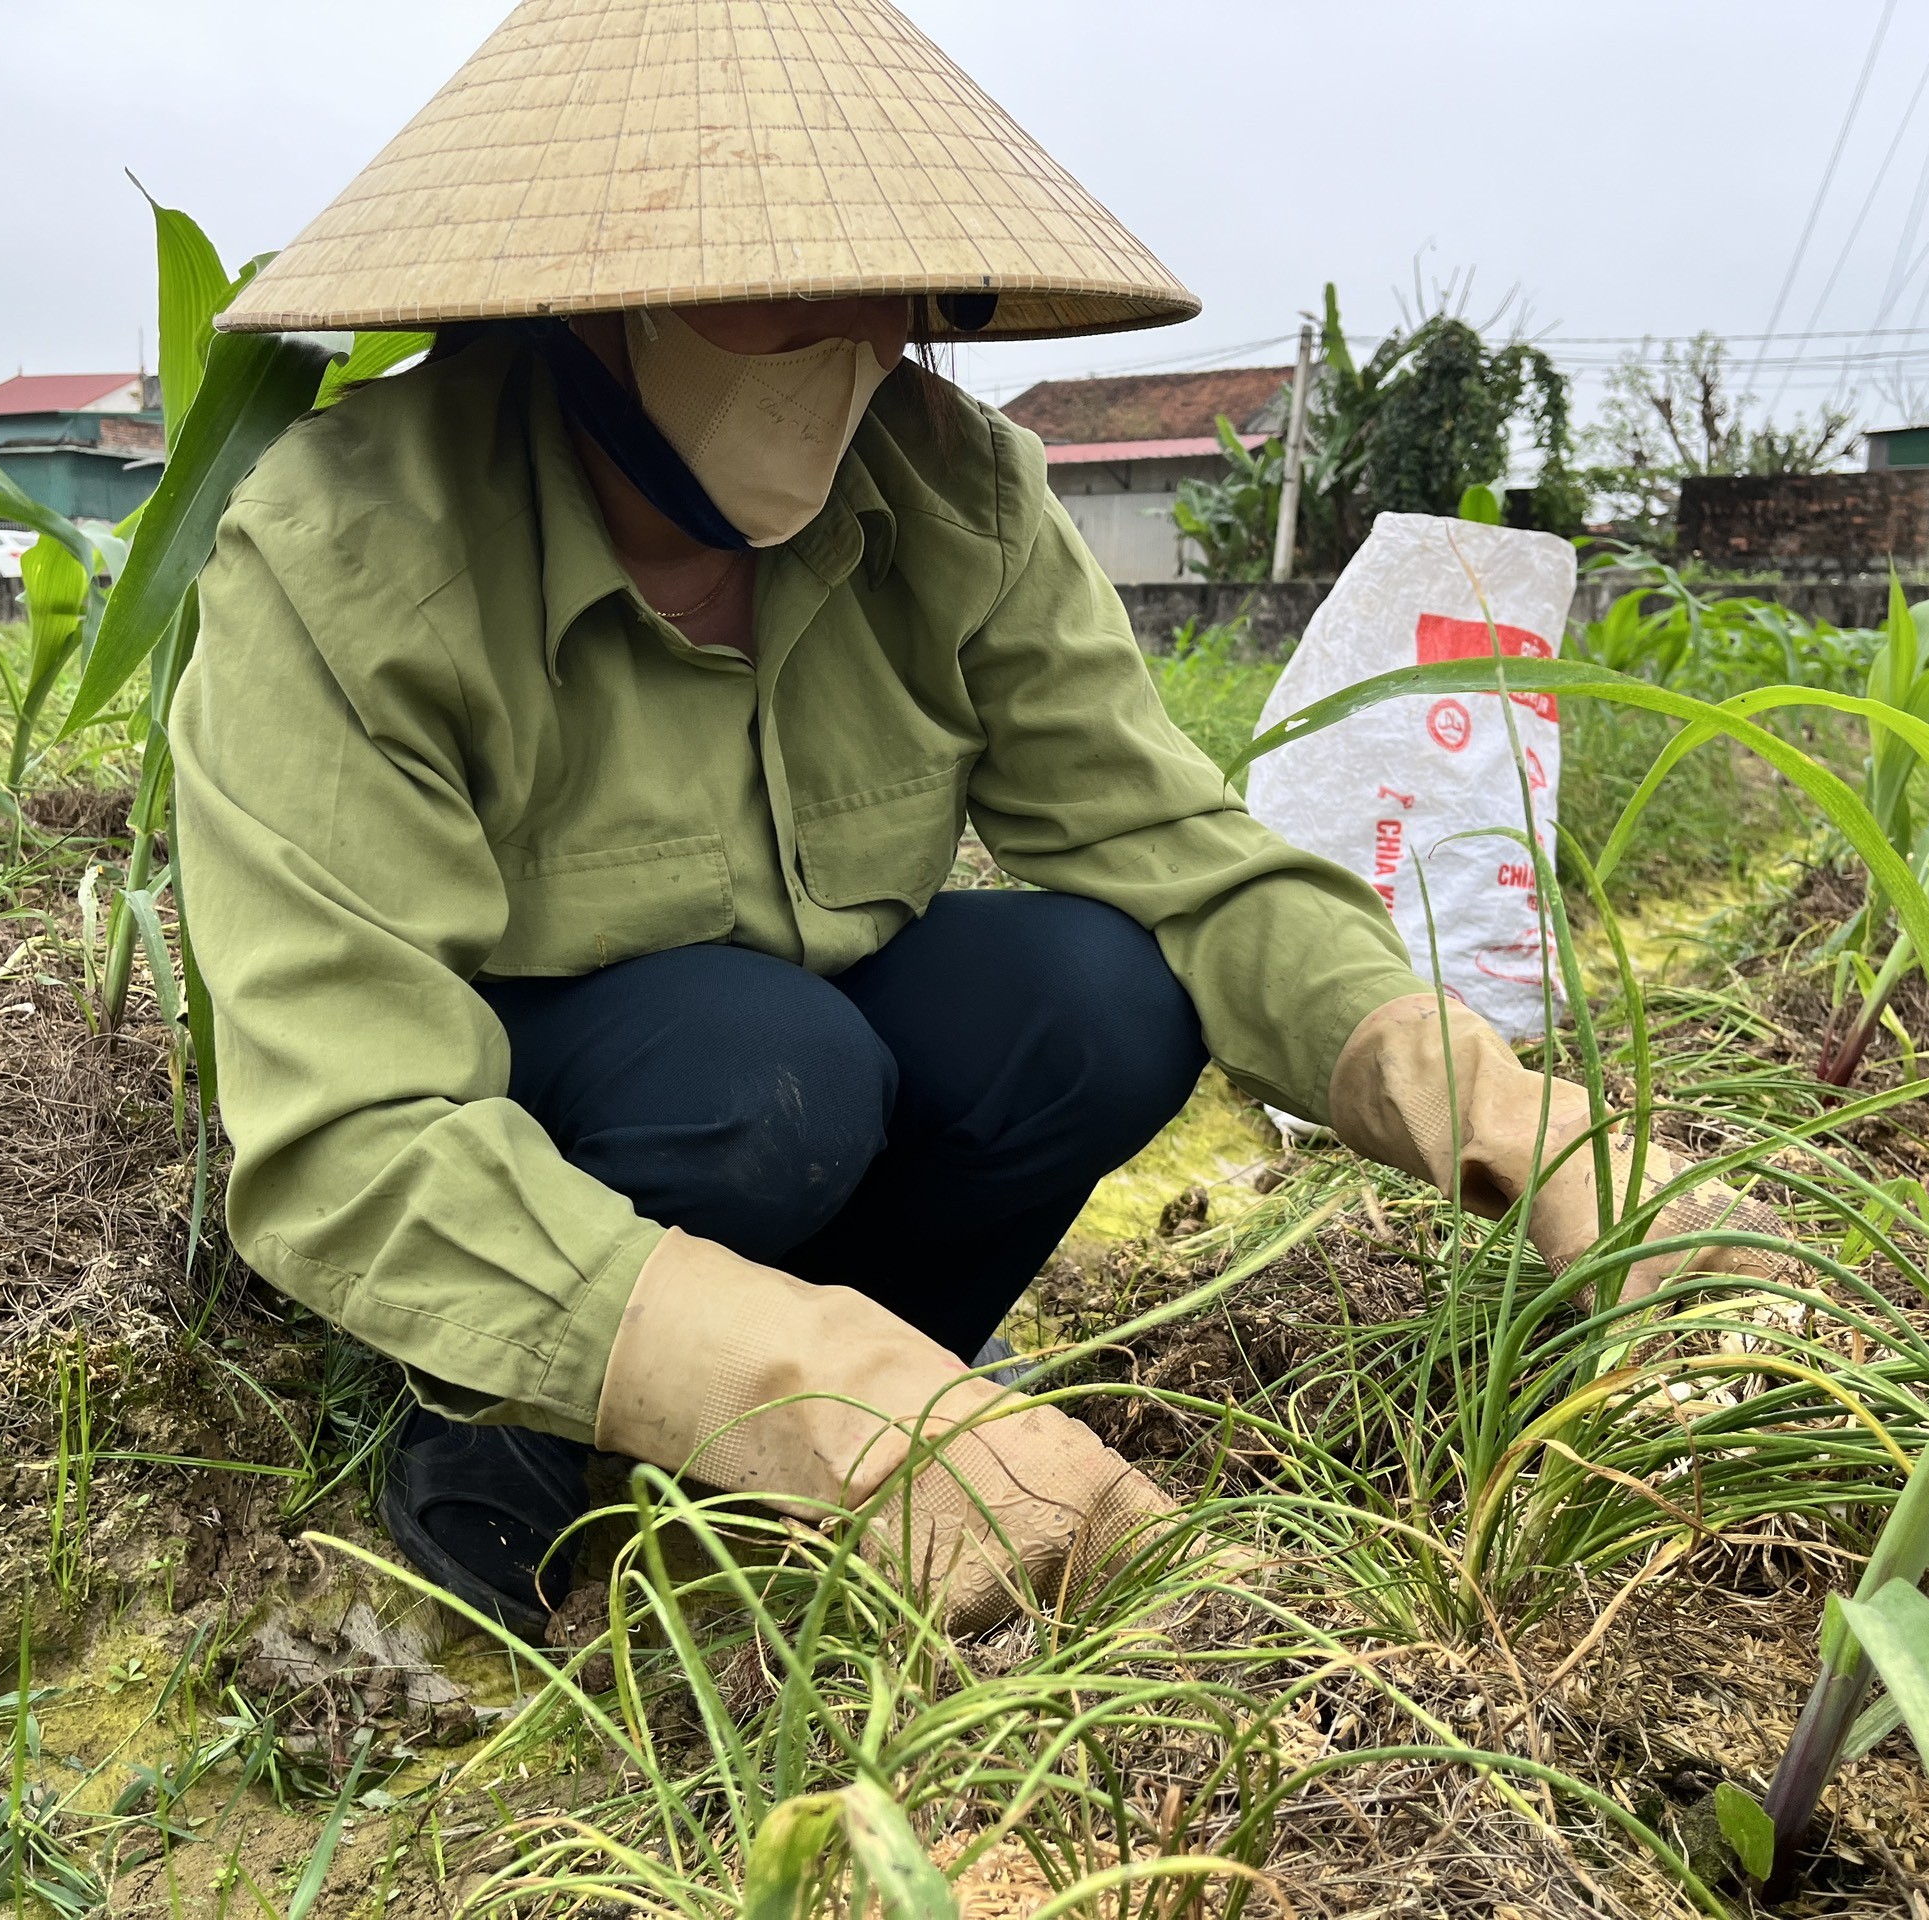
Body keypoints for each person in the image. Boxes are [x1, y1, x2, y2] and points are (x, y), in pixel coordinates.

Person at [173, 0, 1783, 1637]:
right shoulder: (351, 549)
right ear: (604, 287)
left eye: (897, 287)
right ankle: (512, 1449)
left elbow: (1188, 868)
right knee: (762, 1073)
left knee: (1097, 1000)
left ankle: (904, 1374)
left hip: (816, 1041)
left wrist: (1511, 1125)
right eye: (785, 281)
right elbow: (353, 1132)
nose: (862, 341)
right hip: (574, 1106)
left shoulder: (951, 494)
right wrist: (825, 1397)